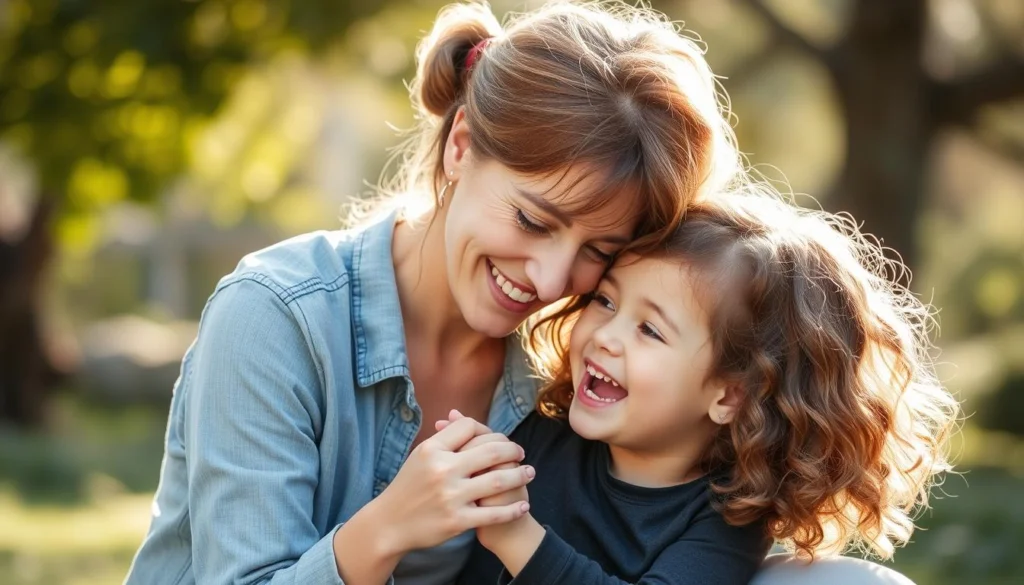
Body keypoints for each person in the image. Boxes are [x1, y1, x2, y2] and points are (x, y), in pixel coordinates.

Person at [123, 1, 743, 583]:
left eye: (598, 252)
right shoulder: (275, 317)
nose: (552, 282)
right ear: (461, 146)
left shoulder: (560, 375)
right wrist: (385, 528)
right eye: (532, 220)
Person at [454, 194, 959, 584]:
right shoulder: (538, 430)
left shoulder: (726, 518)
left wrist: (516, 537)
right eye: (606, 302)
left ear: (729, 396)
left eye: (650, 330)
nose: (605, 336)